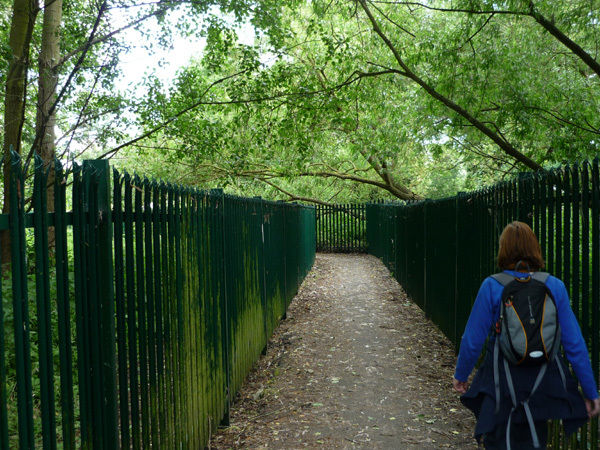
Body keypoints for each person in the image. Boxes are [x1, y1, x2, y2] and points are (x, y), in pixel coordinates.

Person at [452, 221, 600, 449]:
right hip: (541, 385)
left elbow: (473, 339)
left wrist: (461, 375)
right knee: (535, 438)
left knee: (499, 439)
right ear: (535, 248)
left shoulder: (492, 286)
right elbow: (574, 344)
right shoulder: (554, 286)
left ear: (503, 249)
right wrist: (590, 391)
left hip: (501, 383)